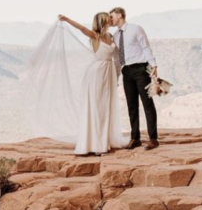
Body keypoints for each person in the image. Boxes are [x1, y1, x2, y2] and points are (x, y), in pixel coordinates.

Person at [20, 11, 125, 155]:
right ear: (103, 21)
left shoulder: (111, 36)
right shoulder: (96, 36)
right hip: (97, 72)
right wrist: (67, 19)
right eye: (108, 19)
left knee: (106, 107)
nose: (110, 20)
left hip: (109, 72)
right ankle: (94, 143)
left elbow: (118, 56)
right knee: (96, 107)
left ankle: (104, 140)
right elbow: (81, 29)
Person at [109, 7, 159, 150]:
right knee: (132, 106)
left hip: (141, 69)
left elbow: (146, 47)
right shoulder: (115, 35)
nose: (110, 19)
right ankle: (135, 138)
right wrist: (117, 76)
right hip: (127, 71)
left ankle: (153, 139)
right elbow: (118, 58)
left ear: (119, 15)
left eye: (111, 16)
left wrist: (154, 65)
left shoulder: (136, 29)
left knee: (147, 103)